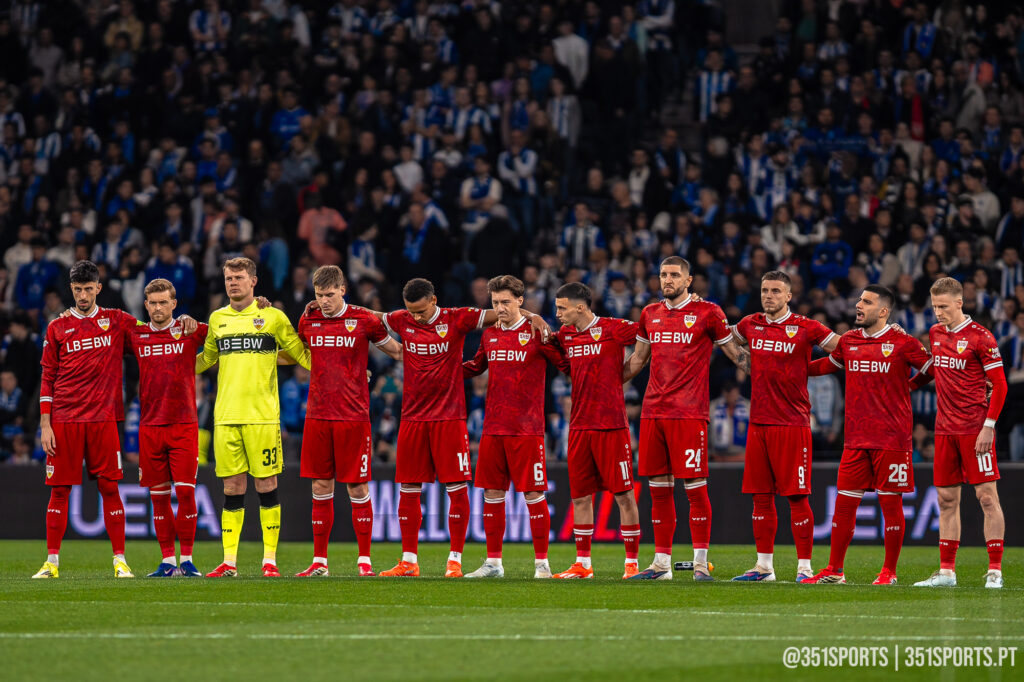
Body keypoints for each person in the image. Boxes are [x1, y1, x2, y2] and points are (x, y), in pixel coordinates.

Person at [367, 277, 547, 577]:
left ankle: (455, 560)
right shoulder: (402, 319)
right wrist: (332, 307)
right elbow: (374, 316)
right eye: (411, 312)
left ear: (434, 301)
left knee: (456, 488)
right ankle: (409, 561)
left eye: (421, 311)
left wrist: (534, 316)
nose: (416, 317)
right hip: (412, 417)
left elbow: (504, 311)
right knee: (408, 487)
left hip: (450, 418)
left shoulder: (457, 318)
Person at [33, 260, 193, 579]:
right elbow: (47, 376)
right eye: (77, 290)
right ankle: (51, 562)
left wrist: (183, 321)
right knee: (60, 490)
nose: (82, 296)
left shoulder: (117, 320)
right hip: (64, 419)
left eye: (88, 289)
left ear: (98, 288)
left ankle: (120, 560)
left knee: (110, 487)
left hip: (104, 419)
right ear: (71, 289)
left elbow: (153, 331)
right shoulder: (57, 327)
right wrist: (45, 424)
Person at [622, 256, 749, 581]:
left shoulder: (709, 312)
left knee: (695, 489)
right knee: (658, 490)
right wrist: (605, 382)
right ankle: (661, 564)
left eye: (675, 274)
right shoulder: (650, 314)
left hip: (689, 414)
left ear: (688, 280)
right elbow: (637, 360)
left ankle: (700, 563)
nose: (668, 279)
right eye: (663, 274)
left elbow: (736, 355)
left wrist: (775, 375)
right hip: (653, 412)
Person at [803, 285, 932, 585]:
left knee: (891, 506)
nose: (858, 305)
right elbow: (827, 365)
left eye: (867, 302)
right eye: (859, 300)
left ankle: (889, 572)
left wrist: (911, 386)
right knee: (844, 506)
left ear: (883, 311)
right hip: (856, 439)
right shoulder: (849, 340)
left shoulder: (903, 342)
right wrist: (790, 368)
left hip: (892, 438)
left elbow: (931, 369)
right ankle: (835, 570)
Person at [197, 257, 311, 578]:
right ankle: (229, 562)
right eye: (228, 278)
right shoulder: (217, 319)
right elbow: (205, 359)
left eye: (238, 277)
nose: (233, 283)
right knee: (232, 487)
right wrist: (170, 364)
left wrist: (340, 370)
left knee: (266, 484)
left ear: (253, 281)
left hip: (262, 417)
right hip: (225, 417)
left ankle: (269, 561)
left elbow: (300, 353)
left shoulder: (272, 316)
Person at [729, 270, 839, 582]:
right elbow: (720, 335)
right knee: (760, 497)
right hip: (758, 423)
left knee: (797, 497)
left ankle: (805, 568)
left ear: (789, 296)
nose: (769, 296)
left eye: (776, 291)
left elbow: (845, 349)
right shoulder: (750, 324)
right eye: (765, 290)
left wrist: (810, 369)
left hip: (792, 424)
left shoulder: (806, 327)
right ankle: (764, 567)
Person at [293, 265, 402, 578]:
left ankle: (364, 561)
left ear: (343, 290)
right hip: (317, 415)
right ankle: (319, 562)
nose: (324, 301)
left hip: (353, 416)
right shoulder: (308, 319)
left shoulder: (364, 319)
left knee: (357, 486)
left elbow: (396, 351)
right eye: (319, 295)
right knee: (320, 484)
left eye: (329, 294)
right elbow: (300, 353)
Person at [461, 275, 569, 579]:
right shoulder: (489, 335)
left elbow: (566, 364)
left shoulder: (536, 332)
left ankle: (542, 565)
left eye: (506, 302)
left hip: (527, 429)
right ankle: (493, 563)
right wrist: (441, 369)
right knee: (492, 494)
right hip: (494, 428)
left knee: (533, 494)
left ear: (520, 301)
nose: (500, 308)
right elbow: (476, 366)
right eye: (495, 302)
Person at [911, 277, 1007, 589]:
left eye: (943, 306)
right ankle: (946, 572)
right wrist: (905, 387)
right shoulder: (936, 333)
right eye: (934, 306)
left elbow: (1000, 385)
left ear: (959, 303)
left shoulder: (981, 337)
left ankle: (995, 571)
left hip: (974, 429)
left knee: (986, 497)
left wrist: (988, 427)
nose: (938, 312)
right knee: (946, 499)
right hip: (944, 430)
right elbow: (934, 370)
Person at [549, 283, 642, 579]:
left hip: (611, 425)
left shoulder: (614, 328)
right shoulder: (565, 335)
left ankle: (631, 564)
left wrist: (628, 370)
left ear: (580, 307)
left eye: (562, 308)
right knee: (580, 497)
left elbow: (649, 333)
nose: (557, 313)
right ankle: (583, 564)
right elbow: (550, 346)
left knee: (624, 495)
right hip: (578, 426)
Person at [127, 278, 208, 578]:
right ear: (146, 305)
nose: (158, 308)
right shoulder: (136, 334)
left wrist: (260, 306)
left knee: (185, 494)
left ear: (174, 304)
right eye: (153, 303)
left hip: (183, 425)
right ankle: (167, 561)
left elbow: (227, 328)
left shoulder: (189, 330)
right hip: (150, 427)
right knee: (158, 497)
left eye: (164, 302)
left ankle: (187, 560)